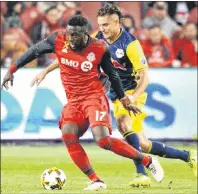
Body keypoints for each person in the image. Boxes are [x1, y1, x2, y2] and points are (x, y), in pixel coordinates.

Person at [33, 5, 197, 188]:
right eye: (101, 24)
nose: (103, 28)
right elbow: (71, 52)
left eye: (106, 25)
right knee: (143, 144)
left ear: (118, 23)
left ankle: (141, 174)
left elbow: (145, 77)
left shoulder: (130, 44)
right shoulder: (97, 37)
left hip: (130, 92)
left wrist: (133, 97)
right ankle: (188, 156)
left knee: (122, 122)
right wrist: (46, 71)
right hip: (111, 93)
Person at [1, 15, 164, 191]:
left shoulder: (99, 48)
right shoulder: (58, 39)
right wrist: (12, 70)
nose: (70, 39)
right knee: (68, 135)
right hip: (74, 100)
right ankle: (96, 180)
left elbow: (113, 75)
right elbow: (34, 51)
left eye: (75, 36)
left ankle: (146, 160)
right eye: (69, 35)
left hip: (94, 97)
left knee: (103, 140)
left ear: (85, 34)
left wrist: (123, 98)